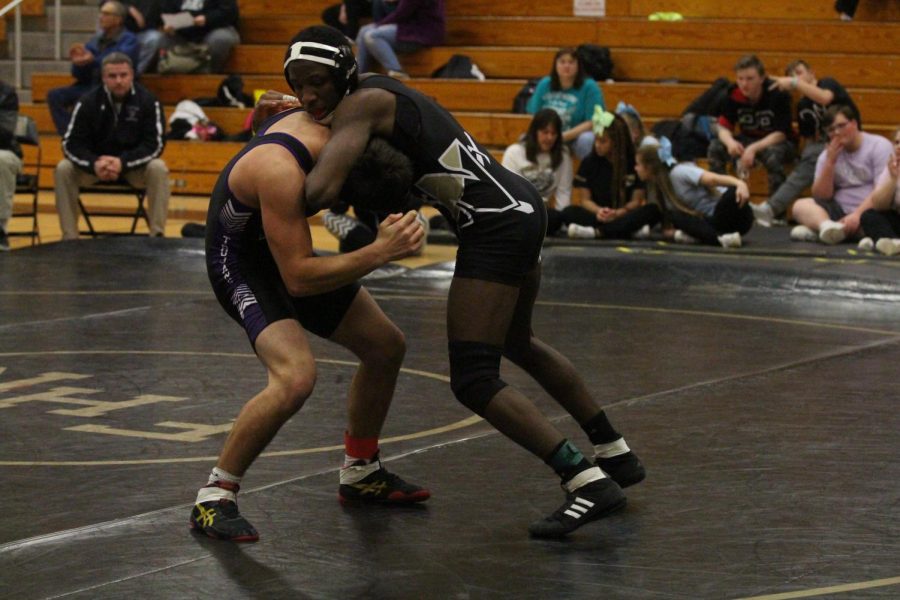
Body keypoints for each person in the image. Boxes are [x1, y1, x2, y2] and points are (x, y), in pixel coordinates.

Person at [274, 25, 645, 539]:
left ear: (343, 75)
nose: (307, 95)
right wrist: (310, 112)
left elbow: (318, 192)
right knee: (518, 341)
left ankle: (584, 480)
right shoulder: (375, 90)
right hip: (518, 206)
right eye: (297, 85)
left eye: (316, 83)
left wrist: (274, 157)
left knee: (473, 378)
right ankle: (614, 451)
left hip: (493, 226)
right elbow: (344, 121)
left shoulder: (359, 108)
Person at [192, 77, 430, 544]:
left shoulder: (345, 131)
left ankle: (361, 471)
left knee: (385, 346)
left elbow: (267, 103)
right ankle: (214, 495)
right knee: (295, 377)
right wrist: (379, 253)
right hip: (241, 263)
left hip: (280, 249)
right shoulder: (284, 170)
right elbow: (299, 278)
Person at [54, 53, 169, 239]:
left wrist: (123, 163)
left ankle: (157, 235)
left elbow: (155, 145)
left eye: (123, 75)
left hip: (133, 169)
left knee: (158, 168)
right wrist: (94, 163)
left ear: (132, 75)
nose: (118, 81)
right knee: (63, 168)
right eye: (112, 76)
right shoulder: (87, 102)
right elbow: (70, 143)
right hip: (95, 168)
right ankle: (70, 237)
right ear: (103, 78)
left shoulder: (148, 101)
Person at [755, 60, 860, 226]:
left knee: (814, 157)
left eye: (799, 72)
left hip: (851, 140)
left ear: (812, 73)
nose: (795, 78)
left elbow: (825, 98)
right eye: (792, 76)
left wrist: (795, 83)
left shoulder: (827, 83)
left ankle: (771, 208)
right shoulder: (803, 105)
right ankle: (778, 210)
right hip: (827, 147)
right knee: (811, 156)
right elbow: (809, 138)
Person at [790, 105, 892, 245]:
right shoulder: (827, 155)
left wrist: (857, 215)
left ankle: (822, 232)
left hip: (869, 210)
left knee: (875, 221)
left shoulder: (879, 146)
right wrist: (830, 163)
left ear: (854, 123)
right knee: (800, 205)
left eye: (841, 126)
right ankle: (827, 227)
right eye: (831, 129)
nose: (837, 132)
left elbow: (881, 191)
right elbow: (821, 196)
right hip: (839, 209)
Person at [563, 109, 661, 241]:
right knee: (569, 212)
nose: (597, 145)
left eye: (603, 141)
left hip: (624, 213)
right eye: (596, 140)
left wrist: (618, 213)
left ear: (616, 142)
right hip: (599, 215)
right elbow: (585, 200)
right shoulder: (590, 161)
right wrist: (599, 211)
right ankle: (626, 230)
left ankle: (597, 232)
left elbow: (636, 201)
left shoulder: (633, 162)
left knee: (652, 210)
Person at [635, 139, 752, 248]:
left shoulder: (678, 172)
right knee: (675, 216)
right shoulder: (657, 189)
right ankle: (720, 238)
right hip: (712, 223)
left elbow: (713, 179)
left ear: (649, 167)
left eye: (638, 164)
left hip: (732, 212)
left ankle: (715, 238)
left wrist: (739, 183)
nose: (636, 168)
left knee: (731, 193)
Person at [707, 55, 794, 199]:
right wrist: (730, 142)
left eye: (749, 79)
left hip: (775, 142)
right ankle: (722, 199)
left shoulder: (777, 94)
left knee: (773, 155)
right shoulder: (733, 94)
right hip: (747, 139)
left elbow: (782, 133)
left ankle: (776, 213)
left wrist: (754, 148)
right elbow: (722, 127)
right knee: (715, 147)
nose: (744, 84)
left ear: (762, 78)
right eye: (740, 79)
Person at [46, 1, 139, 135]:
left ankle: (82, 136)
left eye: (106, 14)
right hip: (90, 84)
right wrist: (79, 63)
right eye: (101, 13)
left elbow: (118, 63)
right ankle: (68, 134)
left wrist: (92, 61)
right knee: (55, 95)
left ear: (118, 19)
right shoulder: (96, 40)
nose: (101, 17)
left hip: (114, 85)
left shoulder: (129, 40)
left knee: (84, 100)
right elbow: (79, 74)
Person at [501, 108, 572, 236]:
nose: (549, 138)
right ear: (535, 132)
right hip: (519, 212)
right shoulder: (514, 152)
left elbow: (564, 193)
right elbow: (508, 191)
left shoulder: (563, 156)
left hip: (545, 215)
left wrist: (562, 222)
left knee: (565, 215)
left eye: (553, 133)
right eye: (545, 132)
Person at [527, 47, 606, 160]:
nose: (566, 66)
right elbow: (535, 116)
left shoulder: (590, 87)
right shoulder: (544, 84)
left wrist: (561, 137)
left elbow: (592, 122)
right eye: (562, 62)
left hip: (575, 138)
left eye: (571, 62)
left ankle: (585, 174)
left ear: (578, 65)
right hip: (547, 136)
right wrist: (547, 136)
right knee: (524, 139)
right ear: (555, 65)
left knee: (587, 139)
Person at [355, 0, 444, 80]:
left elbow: (402, 13)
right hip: (407, 27)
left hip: (423, 31)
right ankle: (359, 76)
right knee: (364, 31)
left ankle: (397, 71)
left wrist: (380, 24)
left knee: (371, 35)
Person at [160, 0, 240, 73]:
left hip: (216, 28)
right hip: (184, 33)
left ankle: (208, 75)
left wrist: (207, 18)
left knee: (220, 40)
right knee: (160, 40)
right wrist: (169, 26)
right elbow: (167, 13)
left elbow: (230, 12)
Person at [859, 127, 900, 256]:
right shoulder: (893, 167)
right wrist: (892, 180)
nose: (898, 147)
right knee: (869, 216)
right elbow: (879, 205)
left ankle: (881, 241)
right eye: (897, 142)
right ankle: (893, 242)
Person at [0, 79, 22, 252]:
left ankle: (0, 228)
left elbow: (5, 134)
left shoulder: (5, 93)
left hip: (3, 149)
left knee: (1, 160)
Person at [118, 0, 165, 74]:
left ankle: (135, 73)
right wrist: (128, 8)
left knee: (155, 38)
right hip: (122, 30)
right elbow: (106, 3)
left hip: (146, 33)